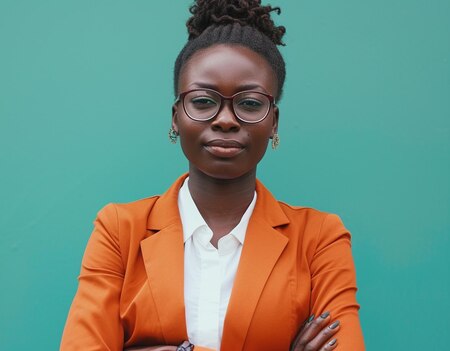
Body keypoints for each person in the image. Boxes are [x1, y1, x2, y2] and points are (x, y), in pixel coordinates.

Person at [60, 0, 365, 350]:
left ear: (273, 122)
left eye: (250, 103)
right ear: (176, 117)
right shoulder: (119, 231)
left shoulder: (319, 240)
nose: (225, 119)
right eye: (203, 101)